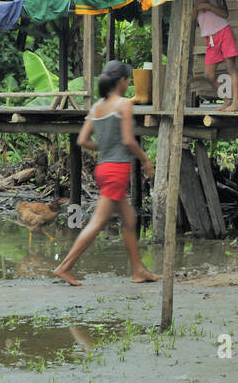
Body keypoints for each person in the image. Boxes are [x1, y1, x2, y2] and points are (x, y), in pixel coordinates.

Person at [54, 60, 160, 286]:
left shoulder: (96, 108)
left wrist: (104, 146)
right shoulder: (123, 104)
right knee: (97, 223)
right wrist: (146, 159)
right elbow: (129, 141)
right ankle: (64, 267)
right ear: (121, 81)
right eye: (128, 79)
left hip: (103, 169)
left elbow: (82, 141)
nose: (129, 82)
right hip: (117, 171)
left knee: (129, 220)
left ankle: (139, 271)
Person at [193, 0, 238, 111]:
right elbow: (191, 21)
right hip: (211, 39)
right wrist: (196, 8)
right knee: (209, 75)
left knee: (231, 67)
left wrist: (208, 6)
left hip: (224, 32)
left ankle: (236, 103)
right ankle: (227, 100)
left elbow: (225, 14)